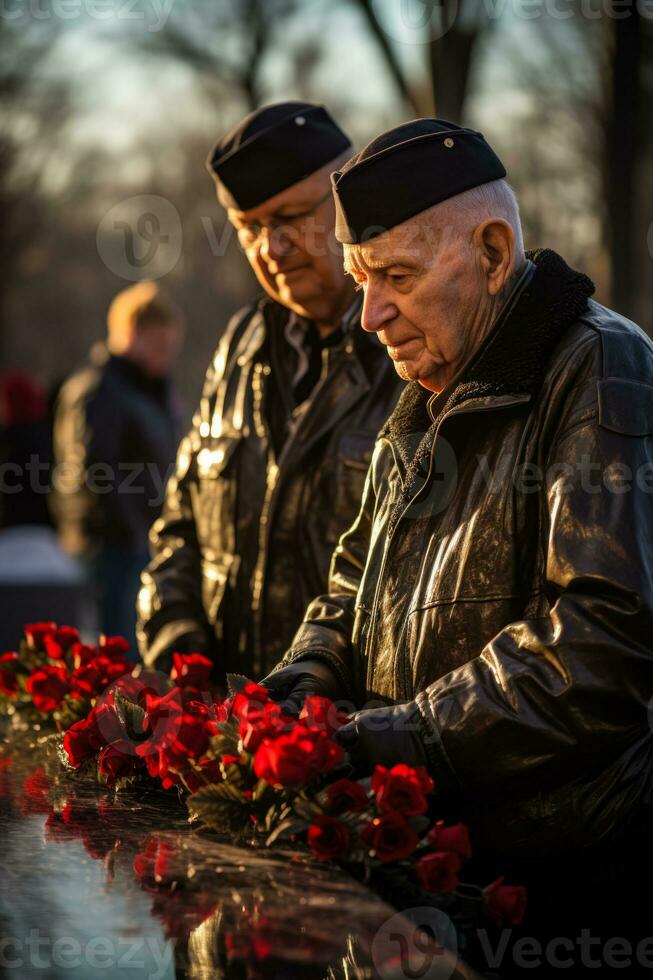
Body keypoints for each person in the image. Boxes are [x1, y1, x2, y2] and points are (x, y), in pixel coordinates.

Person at [262, 120, 653, 967]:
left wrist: (387, 739)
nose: (369, 315)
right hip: (429, 879)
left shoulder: (601, 366)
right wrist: (297, 694)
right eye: (363, 279)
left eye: (395, 276)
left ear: (491, 250)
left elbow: (599, 648)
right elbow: (352, 583)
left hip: (563, 904)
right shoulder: (425, 391)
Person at [136, 102, 403, 680]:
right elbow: (179, 524)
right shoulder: (239, 346)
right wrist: (179, 646)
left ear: (354, 196)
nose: (270, 249)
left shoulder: (411, 347)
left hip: (357, 736)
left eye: (290, 217)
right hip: (229, 742)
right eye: (249, 229)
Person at [52, 281, 183, 657]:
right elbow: (95, 471)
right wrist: (135, 533)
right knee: (116, 655)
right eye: (160, 346)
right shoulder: (99, 390)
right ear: (131, 334)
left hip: (141, 544)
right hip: (114, 548)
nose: (167, 357)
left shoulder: (147, 391)